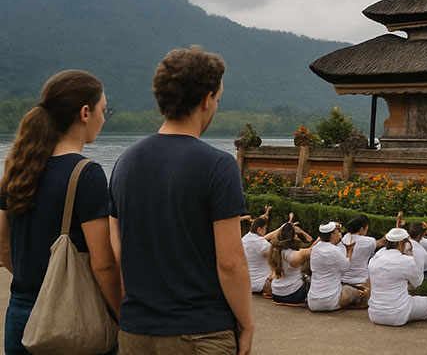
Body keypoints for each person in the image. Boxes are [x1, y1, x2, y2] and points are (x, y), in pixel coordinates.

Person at [109, 47, 253, 355]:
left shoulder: (125, 162)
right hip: (201, 332)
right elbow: (230, 262)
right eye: (217, 99)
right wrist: (247, 322)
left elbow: (117, 252)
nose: (216, 106)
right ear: (205, 99)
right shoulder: (218, 165)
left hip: (136, 332)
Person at [0, 71, 121, 355]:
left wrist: (37, 282)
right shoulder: (86, 174)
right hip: (72, 318)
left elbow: (2, 243)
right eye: (104, 110)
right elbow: (102, 264)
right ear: (85, 112)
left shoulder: (17, 166)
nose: (104, 118)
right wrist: (121, 314)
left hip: (21, 313)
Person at [367, 227, 427, 326]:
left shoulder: (375, 257)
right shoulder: (406, 261)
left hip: (374, 314)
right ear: (399, 243)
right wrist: (412, 257)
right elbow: (417, 282)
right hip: (398, 314)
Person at [307, 221, 362, 311]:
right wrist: (349, 251)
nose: (338, 234)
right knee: (353, 292)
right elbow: (346, 267)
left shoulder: (315, 249)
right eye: (337, 232)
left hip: (312, 302)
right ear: (332, 234)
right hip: (330, 301)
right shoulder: (335, 251)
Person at [267, 222, 315, 306]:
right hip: (293, 294)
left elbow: (266, 238)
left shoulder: (274, 250)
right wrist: (302, 231)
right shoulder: (296, 254)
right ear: (293, 237)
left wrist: (283, 228)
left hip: (276, 293)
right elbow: (313, 245)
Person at [242, 206, 277, 294]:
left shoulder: (244, 239)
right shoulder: (262, 243)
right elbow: (276, 257)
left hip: (246, 283)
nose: (265, 231)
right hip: (261, 283)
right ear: (259, 229)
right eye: (265, 229)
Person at [340, 214, 378, 287]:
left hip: (343, 280)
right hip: (361, 281)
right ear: (361, 229)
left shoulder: (344, 238)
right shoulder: (370, 241)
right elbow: (380, 243)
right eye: (366, 227)